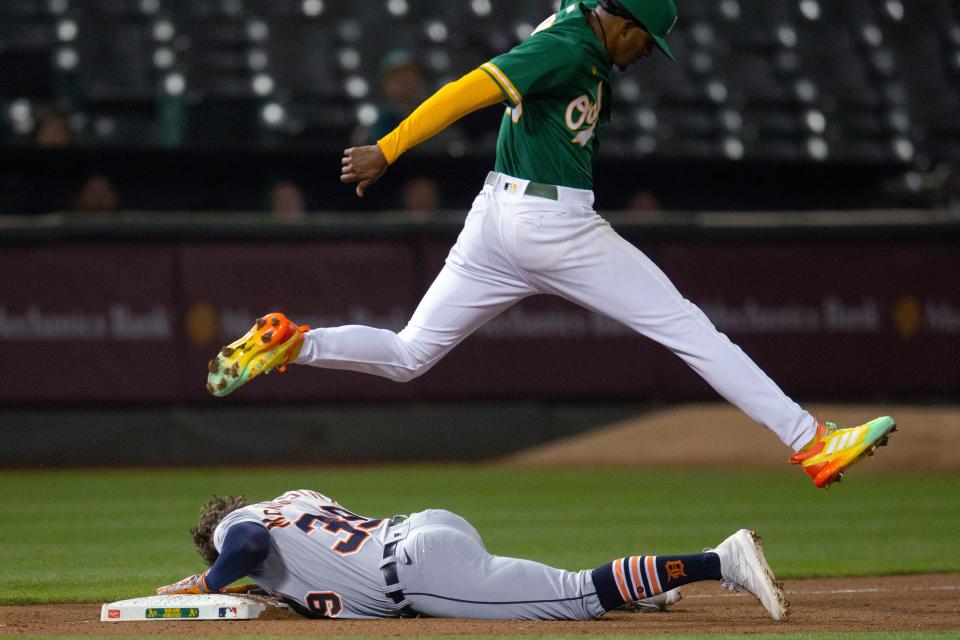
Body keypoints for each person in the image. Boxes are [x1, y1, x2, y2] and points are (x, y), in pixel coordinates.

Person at [205, 0, 897, 489]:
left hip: (495, 216)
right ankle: (812, 444)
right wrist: (389, 148)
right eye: (644, 40)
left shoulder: (581, 22)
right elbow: (463, 91)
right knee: (688, 327)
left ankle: (292, 341)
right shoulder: (566, 45)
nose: (645, 54)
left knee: (410, 354)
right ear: (618, 19)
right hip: (553, 224)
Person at [156, 489, 787, 621]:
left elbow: (246, 545)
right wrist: (239, 587)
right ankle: (646, 591)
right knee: (535, 587)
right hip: (425, 528)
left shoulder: (238, 532)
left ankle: (720, 560)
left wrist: (209, 577)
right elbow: (283, 562)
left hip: (416, 571)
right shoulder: (292, 500)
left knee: (574, 596)